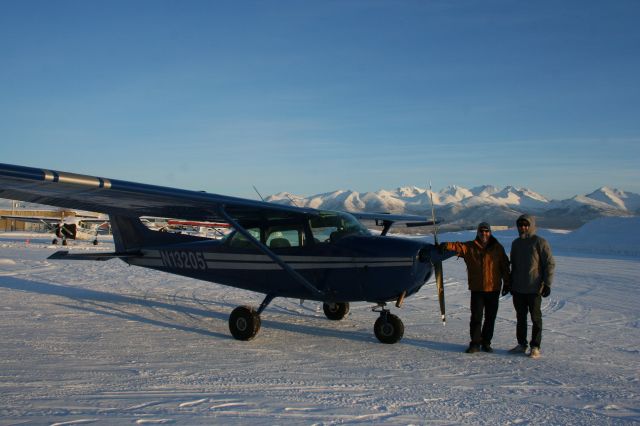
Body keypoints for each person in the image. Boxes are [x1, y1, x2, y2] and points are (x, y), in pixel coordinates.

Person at [439, 222, 511, 353]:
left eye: (486, 231)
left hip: (493, 289)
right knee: (476, 317)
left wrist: (507, 283)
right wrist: (446, 245)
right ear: (478, 232)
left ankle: (486, 342)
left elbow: (505, 266)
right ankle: (475, 343)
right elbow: (458, 247)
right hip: (477, 289)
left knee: (490, 318)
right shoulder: (470, 246)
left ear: (490, 232)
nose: (484, 233)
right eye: (482, 231)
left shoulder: (497, 248)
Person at [508, 214, 555, 359]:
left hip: (534, 288)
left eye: (526, 225)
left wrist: (547, 283)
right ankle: (522, 344)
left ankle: (535, 346)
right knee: (520, 318)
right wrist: (510, 282)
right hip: (518, 288)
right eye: (520, 225)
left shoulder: (540, 242)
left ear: (531, 226)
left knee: (535, 318)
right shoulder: (516, 243)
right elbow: (513, 265)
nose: (523, 227)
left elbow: (549, 263)